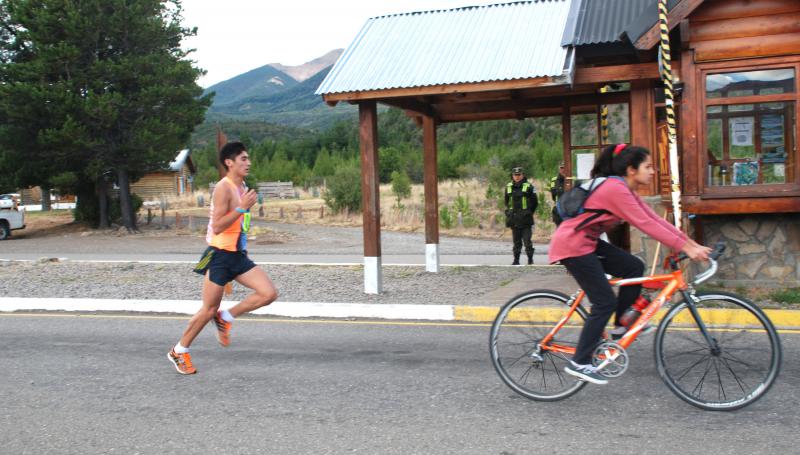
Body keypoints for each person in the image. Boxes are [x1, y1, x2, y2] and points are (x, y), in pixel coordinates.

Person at [548, 144, 711, 385]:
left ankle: (621, 326)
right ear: (631, 170)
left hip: (588, 243)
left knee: (633, 266)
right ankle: (579, 362)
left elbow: (655, 219)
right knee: (604, 302)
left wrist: (690, 243)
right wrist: (686, 247)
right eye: (648, 166)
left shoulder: (625, 189)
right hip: (572, 246)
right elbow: (647, 225)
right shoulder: (614, 188)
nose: (653, 171)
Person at [168, 141, 279, 375]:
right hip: (219, 256)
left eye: (248, 159)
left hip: (237, 255)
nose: (248, 163)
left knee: (268, 293)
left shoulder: (242, 187)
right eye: (243, 159)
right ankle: (179, 350)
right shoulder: (223, 188)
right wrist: (242, 208)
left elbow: (241, 225)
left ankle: (226, 317)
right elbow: (217, 226)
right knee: (208, 309)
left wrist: (243, 246)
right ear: (229, 162)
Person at [504, 166, 537, 265]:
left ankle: (530, 260)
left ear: (522, 175)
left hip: (525, 219)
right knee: (516, 242)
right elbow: (506, 202)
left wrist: (528, 212)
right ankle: (516, 260)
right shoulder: (508, 186)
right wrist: (508, 213)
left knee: (527, 242)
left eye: (519, 175)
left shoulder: (529, 186)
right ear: (512, 176)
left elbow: (535, 202)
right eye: (515, 175)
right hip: (514, 219)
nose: (517, 177)